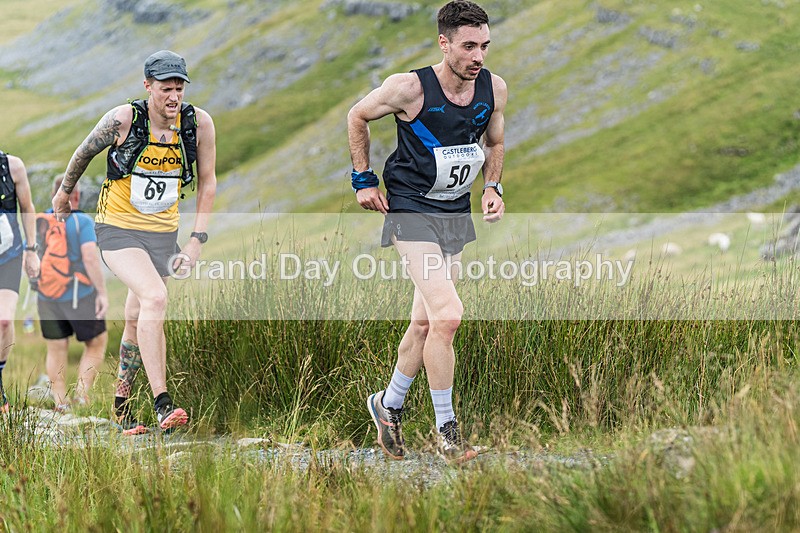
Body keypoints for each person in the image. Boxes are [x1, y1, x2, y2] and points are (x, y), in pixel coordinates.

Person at [348, 0, 507, 463]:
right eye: (468, 46)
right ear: (444, 42)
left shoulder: (494, 88)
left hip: (453, 213)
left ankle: (388, 404)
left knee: (425, 322)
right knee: (449, 315)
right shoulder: (409, 88)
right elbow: (357, 116)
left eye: (485, 46)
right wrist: (363, 179)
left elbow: (494, 141)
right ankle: (448, 433)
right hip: (409, 209)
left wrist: (492, 187)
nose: (478, 56)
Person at [52, 50, 217, 434]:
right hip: (117, 229)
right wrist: (64, 193)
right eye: (165, 89)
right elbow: (83, 153)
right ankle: (163, 403)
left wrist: (196, 241)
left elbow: (208, 181)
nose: (173, 97)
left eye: (179, 88)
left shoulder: (198, 124)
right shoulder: (123, 119)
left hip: (162, 235)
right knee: (156, 298)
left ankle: (122, 409)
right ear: (148, 87)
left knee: (134, 316)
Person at [36, 176, 108, 412]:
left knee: (56, 347)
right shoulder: (82, 222)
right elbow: (90, 257)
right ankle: (81, 395)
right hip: (79, 294)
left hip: (46, 295)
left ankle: (60, 402)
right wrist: (101, 293)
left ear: (54, 196)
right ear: (75, 195)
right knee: (97, 341)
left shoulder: (42, 220)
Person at [0, 151, 41, 413]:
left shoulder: (13, 166)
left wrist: (31, 249)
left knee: (3, 321)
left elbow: (27, 208)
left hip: (9, 256)